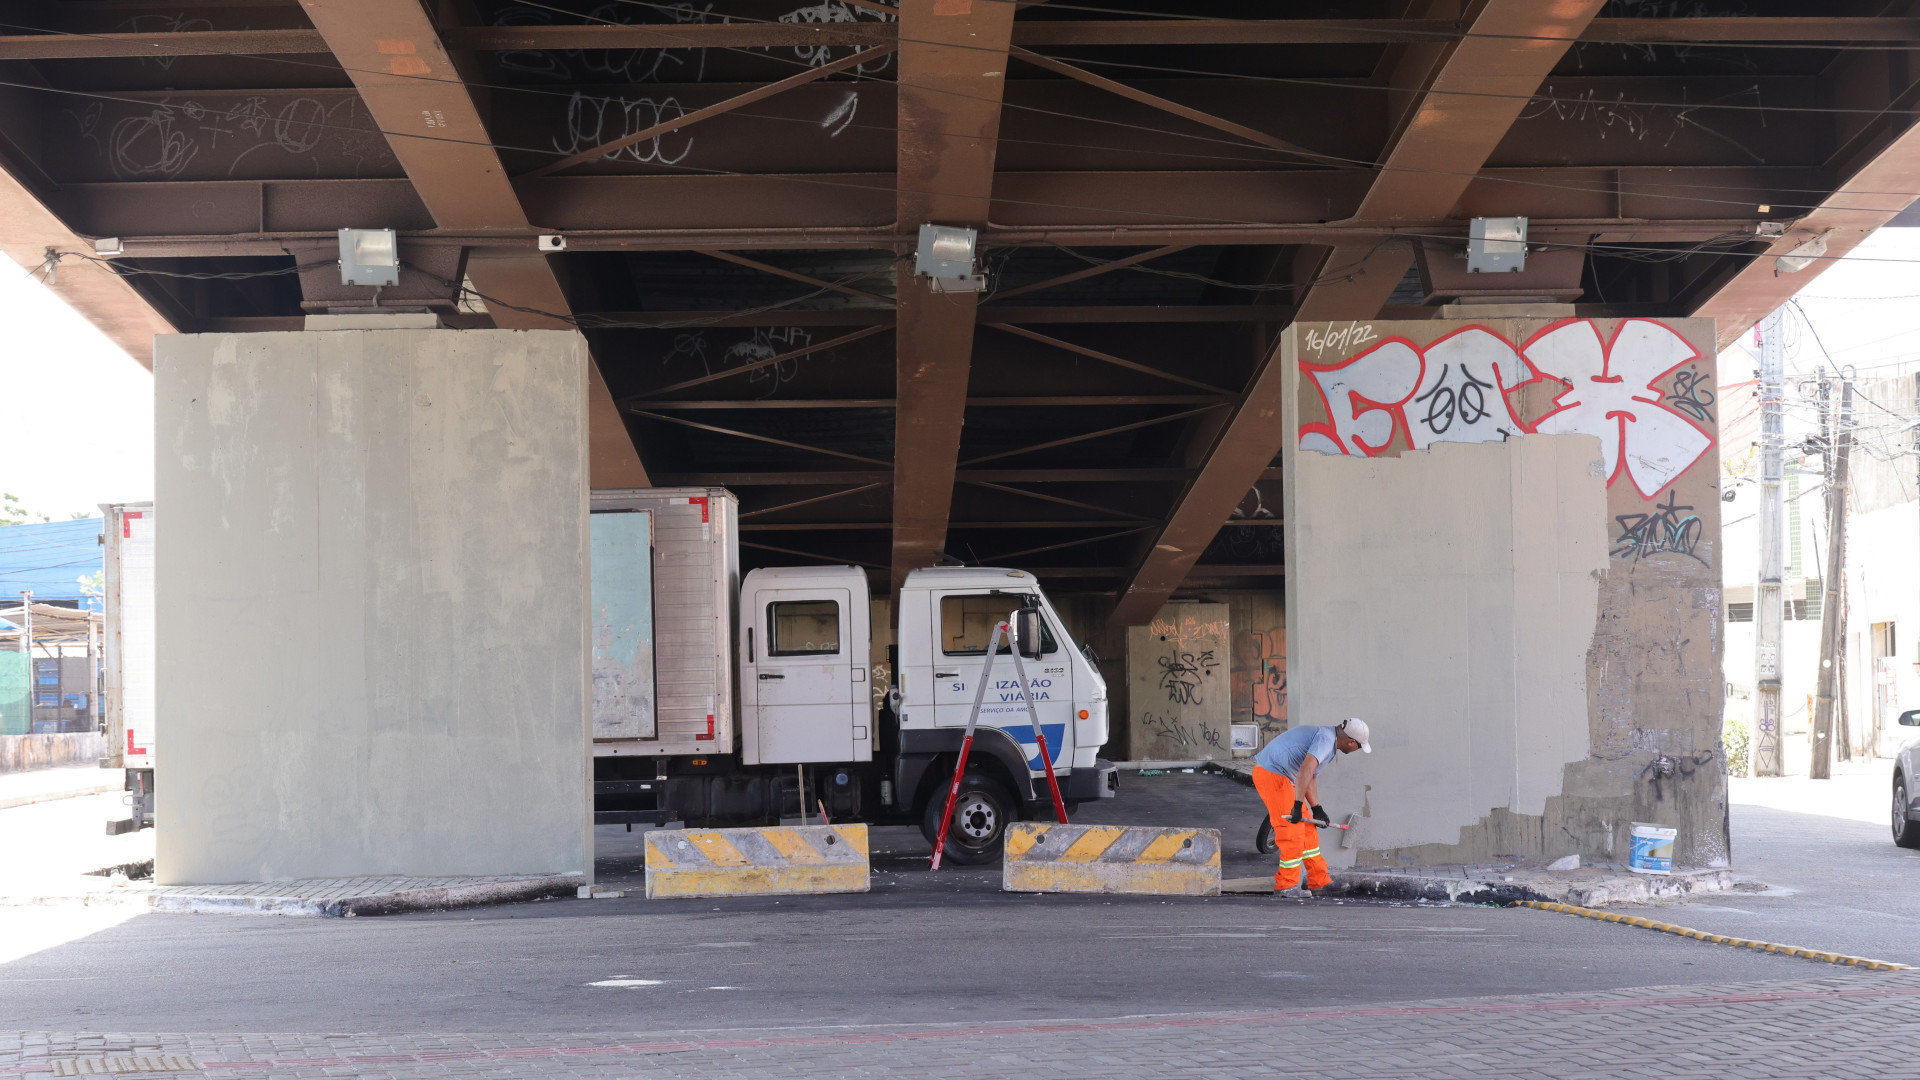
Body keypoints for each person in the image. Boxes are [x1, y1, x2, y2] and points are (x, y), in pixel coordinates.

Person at [1251, 718, 1371, 896]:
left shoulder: (1328, 739)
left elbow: (1310, 776)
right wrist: (1297, 805)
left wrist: (1317, 809)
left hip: (1282, 776)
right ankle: (1286, 886)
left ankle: (1319, 880)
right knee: (1292, 833)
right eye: (1358, 746)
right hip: (1273, 775)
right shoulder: (1326, 740)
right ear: (1351, 741)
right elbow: (1305, 771)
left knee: (1307, 830)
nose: (1357, 750)